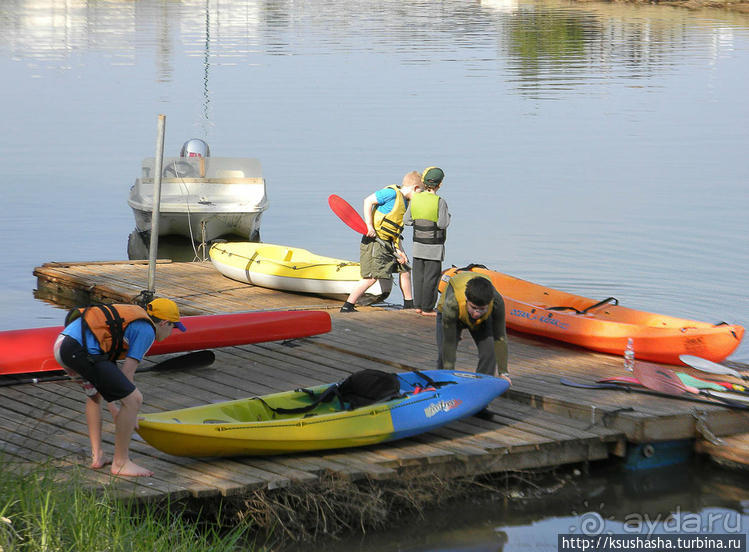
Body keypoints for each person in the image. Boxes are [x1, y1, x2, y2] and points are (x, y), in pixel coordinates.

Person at [53, 298, 186, 477]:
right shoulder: (147, 331)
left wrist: (115, 408)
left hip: (62, 345)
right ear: (163, 323)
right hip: (79, 350)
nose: (172, 332)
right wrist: (129, 410)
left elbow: (109, 385)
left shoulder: (133, 319)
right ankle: (121, 463)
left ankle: (97, 455)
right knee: (134, 399)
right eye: (174, 327)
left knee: (95, 396)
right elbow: (127, 375)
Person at [340, 171, 424, 312]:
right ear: (415, 188)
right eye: (420, 193)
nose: (420, 197)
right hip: (375, 241)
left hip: (389, 243)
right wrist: (369, 226)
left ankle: (409, 305)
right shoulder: (391, 194)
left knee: (405, 269)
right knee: (372, 277)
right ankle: (348, 306)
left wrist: (400, 251)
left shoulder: (405, 202)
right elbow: (368, 201)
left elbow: (396, 231)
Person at [437, 272, 511, 382]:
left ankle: (482, 383)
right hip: (453, 316)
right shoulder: (452, 303)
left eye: (482, 309)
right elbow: (449, 343)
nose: (476, 313)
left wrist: (503, 372)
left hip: (482, 321)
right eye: (474, 307)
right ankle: (442, 382)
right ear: (467, 300)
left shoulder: (497, 302)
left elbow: (500, 337)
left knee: (490, 351)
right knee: (444, 353)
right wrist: (448, 376)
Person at [403, 167, 450, 317]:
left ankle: (418, 306)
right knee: (431, 278)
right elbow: (442, 224)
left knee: (418, 277)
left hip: (417, 247)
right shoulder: (440, 202)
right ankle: (428, 308)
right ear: (439, 185)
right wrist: (448, 215)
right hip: (434, 249)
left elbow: (407, 220)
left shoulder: (415, 199)